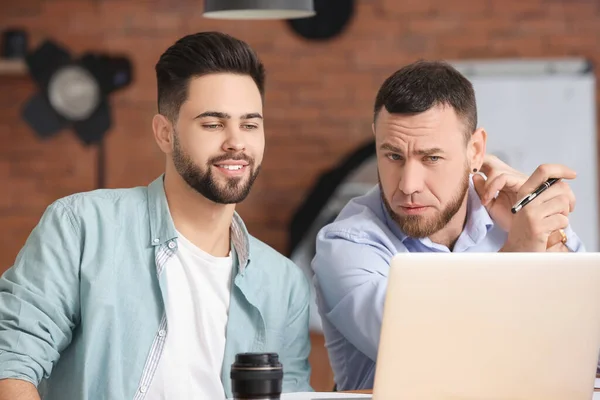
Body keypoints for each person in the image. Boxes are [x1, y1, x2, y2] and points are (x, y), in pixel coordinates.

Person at [0, 31, 312, 400]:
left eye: (250, 124)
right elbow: (11, 363)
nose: (236, 142)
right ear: (165, 133)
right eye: (213, 124)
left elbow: (292, 394)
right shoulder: (81, 226)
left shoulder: (284, 283)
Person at [311, 60, 585, 391]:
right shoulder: (346, 246)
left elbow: (587, 350)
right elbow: (427, 359)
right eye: (394, 156)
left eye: (431, 158)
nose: (408, 185)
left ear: (475, 151)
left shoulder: (518, 221)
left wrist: (554, 241)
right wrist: (519, 259)